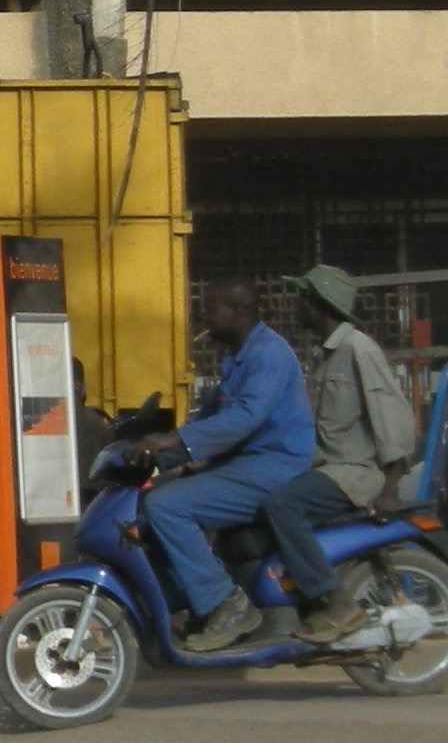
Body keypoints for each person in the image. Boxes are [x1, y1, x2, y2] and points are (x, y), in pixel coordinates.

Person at [141, 280, 316, 654]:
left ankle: (226, 603)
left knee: (168, 507)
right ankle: (193, 603)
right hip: (245, 463)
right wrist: (160, 452)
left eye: (211, 311)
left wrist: (175, 443)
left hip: (273, 466)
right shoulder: (238, 357)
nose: (204, 319)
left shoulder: (268, 354)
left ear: (236, 312)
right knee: (150, 501)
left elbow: (242, 420)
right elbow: (209, 419)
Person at [263, 264, 419, 644]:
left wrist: (390, 488)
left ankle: (336, 602)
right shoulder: (329, 354)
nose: (295, 305)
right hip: (329, 468)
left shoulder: (357, 349)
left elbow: (391, 417)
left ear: (318, 303)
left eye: (302, 298)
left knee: (282, 506)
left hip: (354, 473)